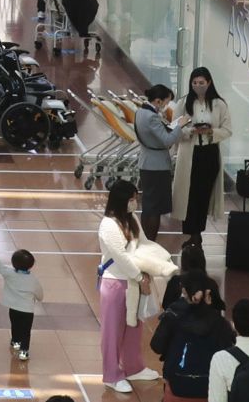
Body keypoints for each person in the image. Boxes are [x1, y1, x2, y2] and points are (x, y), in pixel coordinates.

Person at [97, 179, 160, 393]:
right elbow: (120, 256)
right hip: (115, 282)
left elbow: (142, 243)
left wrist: (150, 269)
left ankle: (134, 366)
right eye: (132, 199)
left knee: (134, 326)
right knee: (112, 331)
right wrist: (139, 277)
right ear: (122, 200)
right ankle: (111, 374)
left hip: (134, 281)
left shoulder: (132, 219)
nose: (135, 202)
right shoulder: (108, 224)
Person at [151, 270, 235, 401]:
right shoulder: (221, 323)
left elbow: (157, 346)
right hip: (210, 386)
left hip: (177, 385)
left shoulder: (174, 314)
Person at [173, 67, 232, 245]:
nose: (198, 86)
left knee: (203, 194)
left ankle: (197, 232)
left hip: (209, 153)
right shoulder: (184, 103)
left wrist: (210, 131)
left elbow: (227, 130)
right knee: (188, 194)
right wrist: (191, 131)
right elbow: (175, 129)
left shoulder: (219, 104)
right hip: (190, 152)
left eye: (201, 83)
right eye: (195, 83)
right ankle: (191, 232)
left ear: (209, 83)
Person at [134, 84, 184, 240]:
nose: (166, 106)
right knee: (155, 209)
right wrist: (179, 126)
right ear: (158, 101)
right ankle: (151, 242)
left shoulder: (140, 112)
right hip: (157, 166)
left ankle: (145, 241)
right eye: (166, 102)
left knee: (148, 207)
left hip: (146, 162)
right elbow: (167, 140)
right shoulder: (152, 117)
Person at [0, 249, 43, 361]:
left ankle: (15, 341)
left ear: (13, 263)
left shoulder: (9, 274)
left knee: (15, 324)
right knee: (26, 331)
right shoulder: (33, 280)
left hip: (13, 309)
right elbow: (40, 296)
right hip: (27, 311)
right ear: (31, 265)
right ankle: (24, 351)